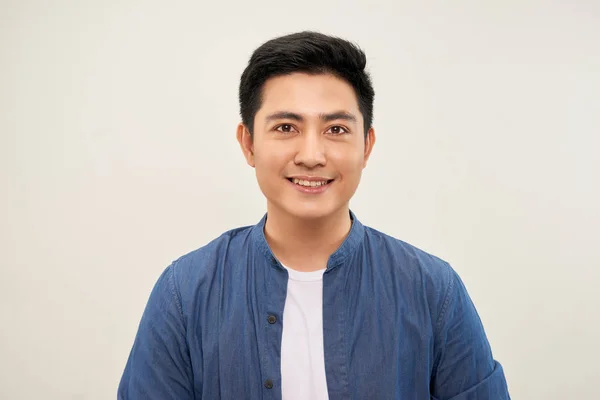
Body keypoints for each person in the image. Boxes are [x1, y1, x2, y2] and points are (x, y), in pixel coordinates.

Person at [118, 31, 510, 399]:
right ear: (248, 143)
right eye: (286, 127)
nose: (311, 155)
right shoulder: (185, 293)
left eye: (336, 129)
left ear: (366, 146)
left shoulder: (433, 290)